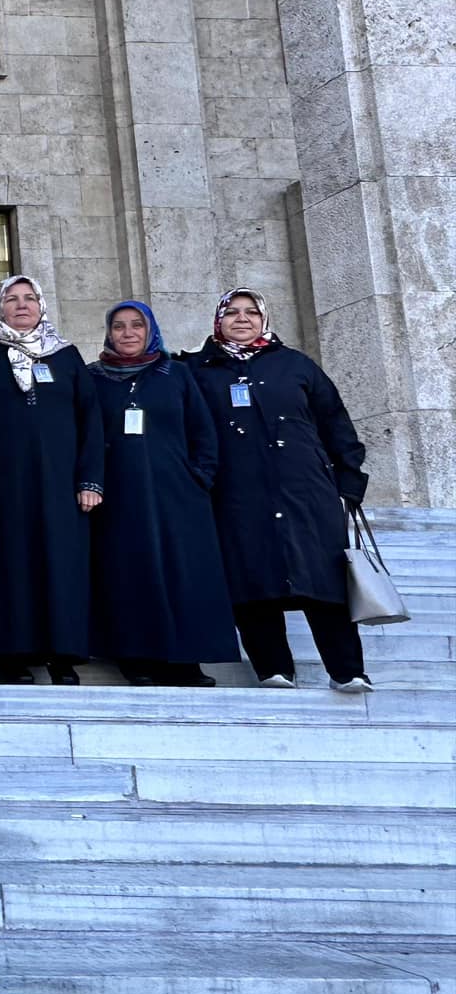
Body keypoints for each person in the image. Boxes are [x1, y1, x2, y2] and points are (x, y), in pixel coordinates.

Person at [185, 289, 372, 692]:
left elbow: (336, 424)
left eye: (251, 312)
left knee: (324, 581)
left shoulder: (296, 366)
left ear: (264, 319)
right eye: (232, 312)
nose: (242, 319)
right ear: (218, 320)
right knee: (252, 580)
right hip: (237, 495)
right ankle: (273, 669)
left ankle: (347, 670)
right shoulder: (200, 370)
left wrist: (348, 484)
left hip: (306, 491)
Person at [0, 275, 104, 685]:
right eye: (11, 299)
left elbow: (91, 422)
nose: (21, 305)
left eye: (29, 298)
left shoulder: (66, 358)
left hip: (59, 485)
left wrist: (90, 480)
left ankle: (61, 653)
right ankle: (8, 654)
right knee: (5, 564)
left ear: (41, 304)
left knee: (60, 565)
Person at [87, 301, 238, 686]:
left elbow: (203, 431)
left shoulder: (176, 374)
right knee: (128, 572)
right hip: (117, 496)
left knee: (181, 573)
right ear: (108, 332)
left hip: (176, 495)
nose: (128, 333)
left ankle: (184, 659)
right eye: (119, 326)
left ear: (150, 329)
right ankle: (135, 656)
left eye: (137, 325)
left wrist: (199, 476)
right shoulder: (92, 378)